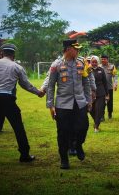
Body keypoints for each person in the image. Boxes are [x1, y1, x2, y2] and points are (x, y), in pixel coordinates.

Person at [0, 44, 44, 166]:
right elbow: (25, 85)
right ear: (13, 55)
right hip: (6, 97)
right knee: (18, 127)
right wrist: (38, 92)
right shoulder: (17, 67)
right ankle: (24, 155)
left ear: (2, 53)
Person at [46, 39, 91, 169]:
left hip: (80, 102)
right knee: (63, 132)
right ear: (68, 49)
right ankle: (64, 159)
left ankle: (78, 145)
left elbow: (86, 83)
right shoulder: (56, 65)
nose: (78, 51)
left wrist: (89, 100)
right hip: (63, 104)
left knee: (83, 126)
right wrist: (51, 105)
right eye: (76, 49)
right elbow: (50, 86)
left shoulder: (81, 63)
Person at [89, 56, 108, 132]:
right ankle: (96, 121)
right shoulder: (88, 70)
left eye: (95, 62)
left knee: (98, 110)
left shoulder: (101, 70)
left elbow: (105, 82)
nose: (94, 63)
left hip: (100, 93)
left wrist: (107, 94)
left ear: (98, 62)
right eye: (92, 62)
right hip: (90, 93)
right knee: (90, 110)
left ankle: (96, 126)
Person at [100, 55, 118, 119]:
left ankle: (110, 113)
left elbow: (115, 76)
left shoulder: (112, 66)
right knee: (101, 102)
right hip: (101, 88)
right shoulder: (99, 67)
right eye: (102, 59)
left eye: (104, 59)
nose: (103, 60)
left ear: (107, 59)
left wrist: (115, 84)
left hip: (109, 87)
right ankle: (102, 115)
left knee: (109, 102)